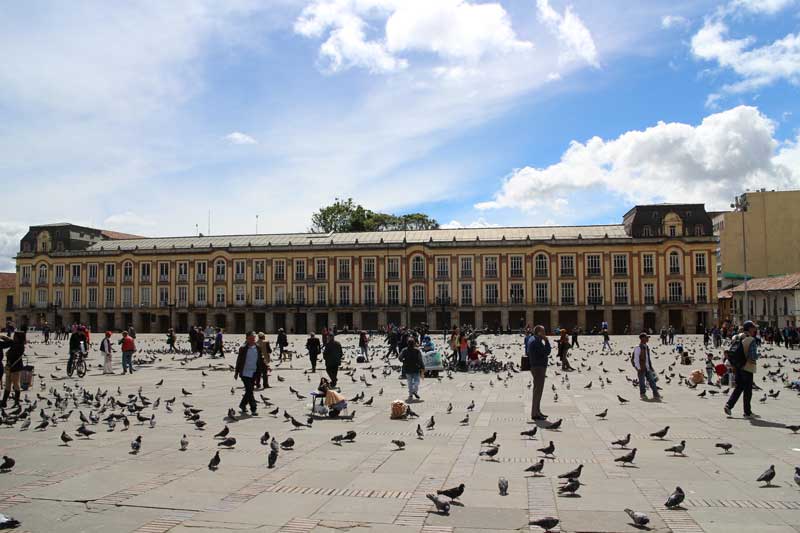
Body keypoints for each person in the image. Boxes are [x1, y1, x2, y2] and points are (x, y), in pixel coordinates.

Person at [724, 321, 760, 418]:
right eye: (753, 328)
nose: (755, 329)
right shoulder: (751, 339)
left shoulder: (736, 337)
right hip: (747, 367)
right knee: (748, 390)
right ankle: (747, 412)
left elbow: (732, 351)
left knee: (739, 387)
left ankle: (729, 405)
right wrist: (758, 355)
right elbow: (752, 356)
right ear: (749, 328)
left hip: (737, 366)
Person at [234, 332, 267, 416]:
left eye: (254, 338)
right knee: (249, 390)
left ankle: (242, 404)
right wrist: (236, 372)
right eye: (251, 338)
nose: (253, 340)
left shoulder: (257, 347)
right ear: (247, 339)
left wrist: (265, 367)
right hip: (245, 373)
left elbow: (260, 359)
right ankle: (253, 408)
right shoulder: (243, 348)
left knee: (249, 390)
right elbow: (239, 361)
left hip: (254, 372)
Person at [526, 325, 551, 421]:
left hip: (535, 366)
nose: (545, 333)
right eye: (543, 331)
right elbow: (547, 352)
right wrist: (547, 341)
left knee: (537, 390)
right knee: (538, 391)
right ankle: (535, 413)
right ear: (539, 332)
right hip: (538, 368)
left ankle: (537, 411)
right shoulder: (536, 341)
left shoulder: (531, 339)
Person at [0, 330, 25, 408]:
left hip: (15, 367)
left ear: (19, 338)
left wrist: (8, 353)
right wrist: (3, 337)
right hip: (9, 367)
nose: (14, 337)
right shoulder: (15, 343)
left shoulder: (20, 346)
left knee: (16, 384)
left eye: (15, 336)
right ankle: (4, 402)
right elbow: (9, 341)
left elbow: (13, 353)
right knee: (7, 385)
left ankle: (17, 402)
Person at [632, 332, 660, 400]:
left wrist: (651, 367)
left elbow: (647, 358)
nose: (648, 339)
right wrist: (638, 368)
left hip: (647, 367)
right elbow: (636, 359)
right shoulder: (638, 348)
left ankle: (656, 394)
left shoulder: (646, 347)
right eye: (646, 337)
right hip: (641, 368)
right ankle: (643, 394)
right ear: (642, 338)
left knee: (652, 381)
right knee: (642, 382)